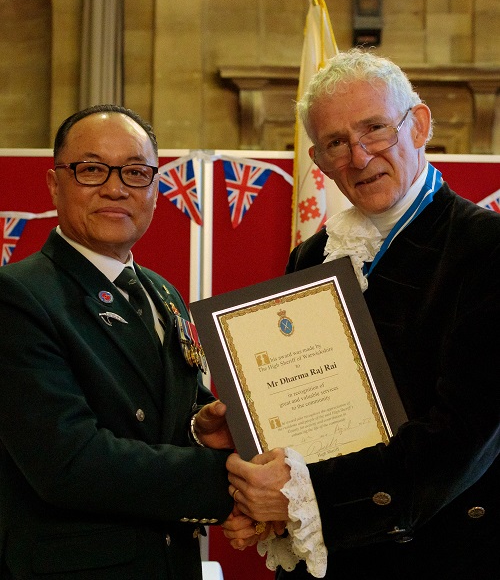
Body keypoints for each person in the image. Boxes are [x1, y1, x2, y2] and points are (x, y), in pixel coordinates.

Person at [222, 49, 500, 579]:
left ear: (418, 125)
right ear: (318, 160)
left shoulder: (486, 247)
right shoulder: (311, 254)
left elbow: (463, 439)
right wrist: (250, 439)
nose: (360, 155)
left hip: (445, 552)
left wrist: (305, 497)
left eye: (375, 129)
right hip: (336, 560)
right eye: (335, 143)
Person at [0, 104, 237, 579]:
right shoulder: (18, 296)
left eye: (135, 172)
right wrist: (232, 483)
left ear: (154, 187)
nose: (115, 187)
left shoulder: (161, 291)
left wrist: (204, 425)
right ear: (54, 184)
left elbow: (175, 411)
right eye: (91, 169)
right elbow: (68, 461)